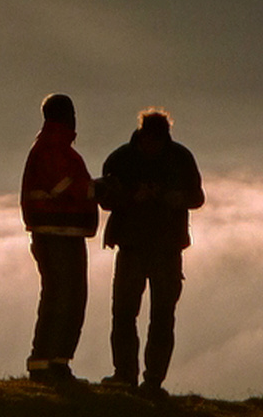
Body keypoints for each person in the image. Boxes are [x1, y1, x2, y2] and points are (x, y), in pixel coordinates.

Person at [95, 107, 204, 394]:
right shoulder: (125, 159)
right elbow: (104, 199)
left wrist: (172, 198)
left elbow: (196, 197)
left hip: (164, 249)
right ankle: (127, 375)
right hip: (135, 247)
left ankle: (150, 379)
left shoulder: (173, 158)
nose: (152, 146)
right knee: (126, 312)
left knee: (160, 315)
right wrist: (135, 197)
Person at [19, 92, 98, 385]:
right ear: (66, 116)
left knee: (60, 296)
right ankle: (49, 363)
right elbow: (70, 186)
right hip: (59, 234)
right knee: (66, 296)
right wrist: (101, 189)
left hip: (55, 233)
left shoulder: (48, 147)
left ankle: (51, 362)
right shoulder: (55, 149)